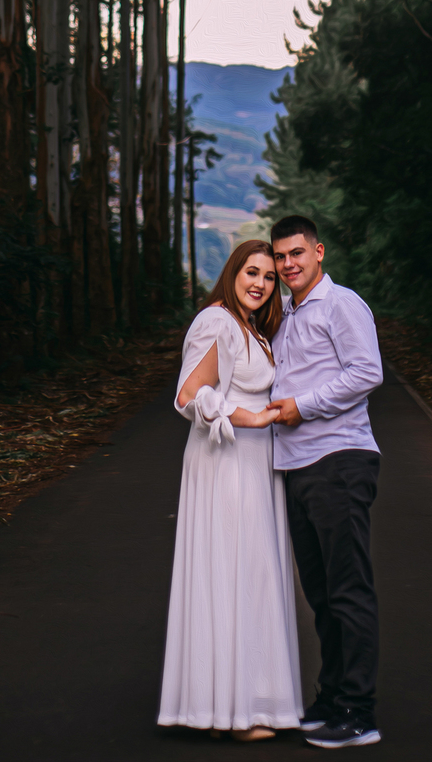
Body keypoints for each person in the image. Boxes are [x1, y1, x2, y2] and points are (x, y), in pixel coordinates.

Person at [158, 239, 304, 742]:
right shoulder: (216, 321)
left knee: (253, 573)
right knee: (235, 570)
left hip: (255, 462)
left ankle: (232, 704)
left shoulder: (251, 329)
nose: (261, 283)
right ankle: (231, 712)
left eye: (269, 276)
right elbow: (187, 395)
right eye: (252, 272)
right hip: (225, 463)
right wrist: (247, 415)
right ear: (232, 273)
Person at [267, 216, 384, 750]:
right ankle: (331, 696)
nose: (288, 264)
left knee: (347, 588)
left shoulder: (341, 304)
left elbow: (367, 372)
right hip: (297, 468)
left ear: (318, 251)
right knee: (320, 593)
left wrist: (302, 407)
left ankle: (359, 711)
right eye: (280, 257)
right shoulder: (286, 314)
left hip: (339, 459)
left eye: (297, 253)